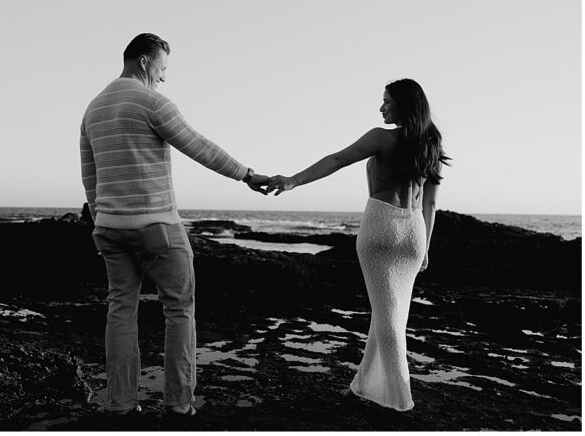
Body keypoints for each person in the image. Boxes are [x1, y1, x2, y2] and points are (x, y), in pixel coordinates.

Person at [80, 33, 270, 417]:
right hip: (156, 227)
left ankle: (121, 403)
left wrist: (101, 219)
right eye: (163, 67)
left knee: (120, 311)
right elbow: (199, 146)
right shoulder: (152, 102)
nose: (164, 76)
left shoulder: (93, 109)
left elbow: (90, 175)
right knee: (179, 309)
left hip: (110, 228)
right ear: (144, 61)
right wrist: (246, 174)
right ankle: (179, 403)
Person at [267, 78, 450, 411]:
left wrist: (293, 181)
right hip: (415, 231)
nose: (381, 107)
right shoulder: (431, 145)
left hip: (381, 225)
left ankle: (401, 400)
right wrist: (425, 248)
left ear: (404, 104)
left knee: (389, 319)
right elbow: (431, 204)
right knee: (390, 314)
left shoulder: (381, 137)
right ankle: (362, 386)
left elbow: (337, 160)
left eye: (387, 101)